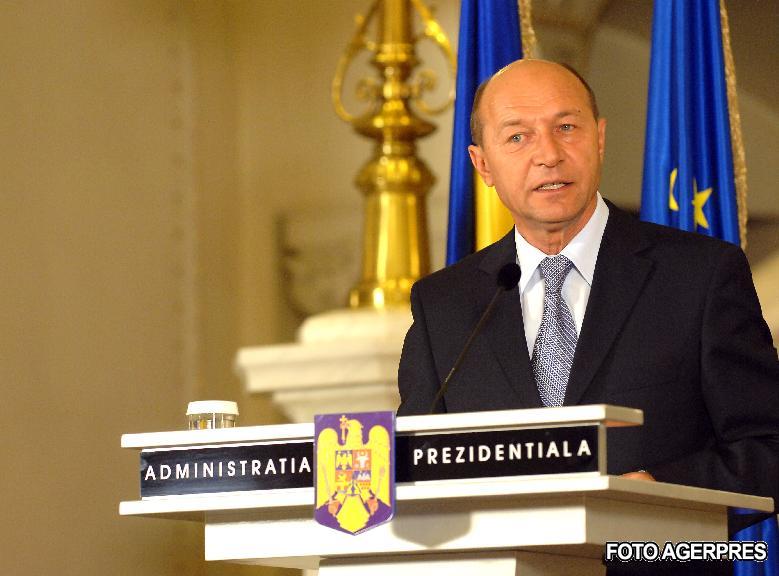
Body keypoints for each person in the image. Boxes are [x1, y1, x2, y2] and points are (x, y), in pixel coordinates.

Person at [397, 59, 779, 518]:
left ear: (598, 138)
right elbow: (412, 467)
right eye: (517, 137)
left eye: (566, 127)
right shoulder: (444, 305)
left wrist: (662, 490)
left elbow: (767, 447)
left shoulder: (699, 275)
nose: (548, 154)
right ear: (483, 165)